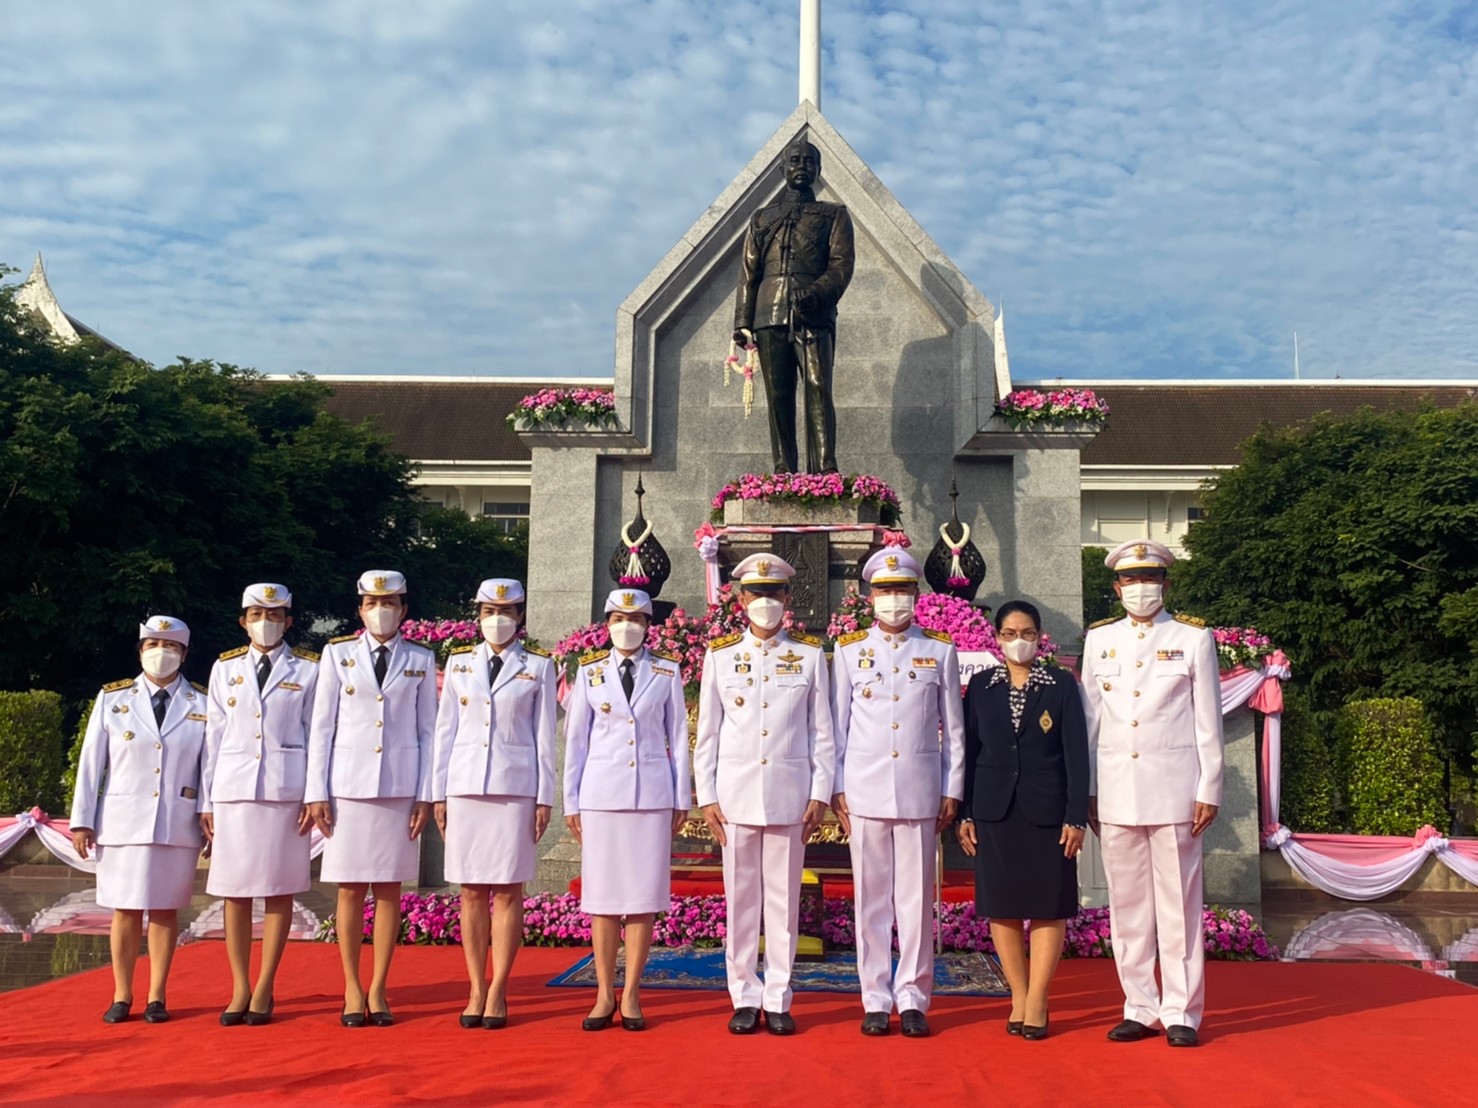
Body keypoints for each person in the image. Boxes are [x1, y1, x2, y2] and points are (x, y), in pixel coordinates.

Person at [1081, 539, 1223, 1048]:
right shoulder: (1100, 642)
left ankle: (1182, 1010)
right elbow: (1091, 724)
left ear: (1164, 583)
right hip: (1117, 791)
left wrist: (1208, 787)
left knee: (1179, 905)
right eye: (1130, 580)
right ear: (1116, 587)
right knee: (1128, 906)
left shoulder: (1192, 639)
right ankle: (1138, 1005)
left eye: (1149, 579)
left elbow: (1208, 721)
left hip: (1175, 792)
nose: (1140, 589)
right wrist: (1090, 792)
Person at [694, 553, 834, 1035]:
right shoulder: (720, 656)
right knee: (741, 901)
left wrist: (820, 792)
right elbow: (707, 736)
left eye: (774, 594)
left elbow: (823, 733)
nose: (765, 603)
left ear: (788, 599)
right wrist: (707, 796)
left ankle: (777, 996)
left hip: (789, 796)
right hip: (734, 797)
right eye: (756, 594)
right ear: (740, 599)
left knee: (782, 901)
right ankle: (743, 995)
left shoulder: (812, 657)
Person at [831, 548, 964, 1038]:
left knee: (914, 901)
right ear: (870, 597)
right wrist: (837, 787)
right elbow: (837, 727)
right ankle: (874, 997)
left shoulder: (939, 651)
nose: (894, 599)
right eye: (885, 591)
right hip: (864, 792)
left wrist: (952, 786)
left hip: (918, 790)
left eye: (902, 590)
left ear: (916, 595)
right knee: (871, 901)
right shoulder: (847, 652)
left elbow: (954, 729)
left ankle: (912, 996)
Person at [307, 570, 437, 1027]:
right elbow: (321, 727)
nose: (381, 611)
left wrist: (426, 795)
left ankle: (379, 989)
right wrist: (316, 790)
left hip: (399, 789)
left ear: (403, 609)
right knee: (348, 889)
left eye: (390, 603)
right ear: (360, 608)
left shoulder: (421, 657)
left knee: (388, 891)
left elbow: (428, 732)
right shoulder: (337, 654)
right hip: (347, 788)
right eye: (372, 603)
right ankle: (350, 987)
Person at [958, 600, 1089, 1041]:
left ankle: (1039, 999)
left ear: (1040, 636)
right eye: (1010, 633)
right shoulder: (980, 686)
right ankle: (1018, 993)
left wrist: (1076, 815)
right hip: (995, 810)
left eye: (1028, 633)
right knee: (1004, 905)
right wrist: (965, 811)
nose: (1019, 641)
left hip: (1048, 812)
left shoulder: (1060, 684)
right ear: (996, 638)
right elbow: (970, 754)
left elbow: (1076, 753)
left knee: (1049, 906)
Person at [562, 589, 690, 1032]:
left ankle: (632, 994)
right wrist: (571, 801)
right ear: (606, 622)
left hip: (652, 795)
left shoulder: (666, 670)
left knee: (641, 898)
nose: (626, 624)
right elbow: (576, 741)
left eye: (635, 617)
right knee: (602, 899)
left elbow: (679, 738)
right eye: (618, 617)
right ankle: (603, 994)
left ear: (647, 624)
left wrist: (681, 797)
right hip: (601, 796)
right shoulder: (591, 672)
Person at [70, 616, 208, 1024]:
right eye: (153, 644)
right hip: (123, 820)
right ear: (141, 649)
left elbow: (209, 767)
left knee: (166, 909)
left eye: (170, 646)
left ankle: (157, 995)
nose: (160, 653)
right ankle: (121, 993)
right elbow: (91, 764)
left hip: (176, 821)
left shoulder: (201, 703)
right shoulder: (113, 699)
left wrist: (208, 814)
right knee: (126, 910)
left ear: (183, 653)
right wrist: (82, 820)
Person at [432, 578, 556, 1029]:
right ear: (478, 614)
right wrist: (438, 792)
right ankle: (475, 988)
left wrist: (545, 797)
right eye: (488, 611)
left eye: (506, 611)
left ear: (520, 616)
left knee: (507, 890)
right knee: (469, 891)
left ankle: (499, 987)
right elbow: (445, 732)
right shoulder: (460, 664)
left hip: (514, 788)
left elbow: (544, 737)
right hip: (465, 788)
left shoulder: (539, 666)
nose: (497, 619)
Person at [200, 583, 320, 1026]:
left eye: (274, 615)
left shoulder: (309, 668)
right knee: (234, 890)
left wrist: (314, 792)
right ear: (243, 620)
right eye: (256, 614)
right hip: (233, 791)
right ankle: (239, 987)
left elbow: (317, 735)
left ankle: (266, 984)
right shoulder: (224, 668)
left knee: (277, 889)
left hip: (285, 791)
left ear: (288, 620)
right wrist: (207, 800)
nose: (265, 622)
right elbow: (212, 739)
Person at [732, 136, 855, 474]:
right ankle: (784, 469)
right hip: (768, 313)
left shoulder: (834, 215)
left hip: (813, 313)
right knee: (778, 395)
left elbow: (842, 265)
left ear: (818, 170)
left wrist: (816, 292)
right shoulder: (762, 218)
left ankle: (826, 469)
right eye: (795, 160)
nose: (802, 166)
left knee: (818, 386)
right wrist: (742, 321)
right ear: (782, 168)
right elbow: (748, 273)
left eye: (809, 161)